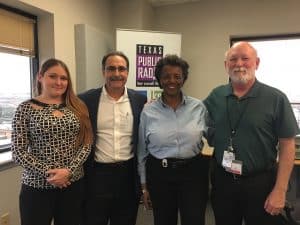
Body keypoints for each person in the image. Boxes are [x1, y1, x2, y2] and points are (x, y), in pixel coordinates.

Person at [204, 41, 299, 225]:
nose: (239, 64)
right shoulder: (216, 95)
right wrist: (162, 106)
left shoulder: (276, 98)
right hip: (223, 182)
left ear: (257, 63)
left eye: (245, 58)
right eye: (233, 59)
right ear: (226, 65)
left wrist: (280, 190)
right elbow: (191, 115)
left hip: (260, 183)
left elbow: (287, 146)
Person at [11, 58, 93, 225]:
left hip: (73, 184)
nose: (59, 82)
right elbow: (18, 152)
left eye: (63, 78)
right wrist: (50, 173)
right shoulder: (25, 108)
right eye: (52, 76)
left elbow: (87, 143)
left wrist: (68, 171)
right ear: (40, 77)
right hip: (36, 187)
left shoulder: (78, 106)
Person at [137, 54, 210, 225]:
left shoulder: (198, 107)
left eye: (177, 76)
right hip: (160, 174)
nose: (172, 80)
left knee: (194, 220)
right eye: (166, 76)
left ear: (184, 79)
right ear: (159, 80)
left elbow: (212, 134)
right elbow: (142, 151)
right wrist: (144, 185)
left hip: (193, 173)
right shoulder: (148, 111)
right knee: (163, 220)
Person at [79, 51, 147, 225]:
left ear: (127, 72)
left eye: (121, 69)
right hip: (96, 177)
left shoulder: (140, 100)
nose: (116, 74)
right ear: (103, 72)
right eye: (111, 69)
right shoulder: (86, 100)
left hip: (127, 176)